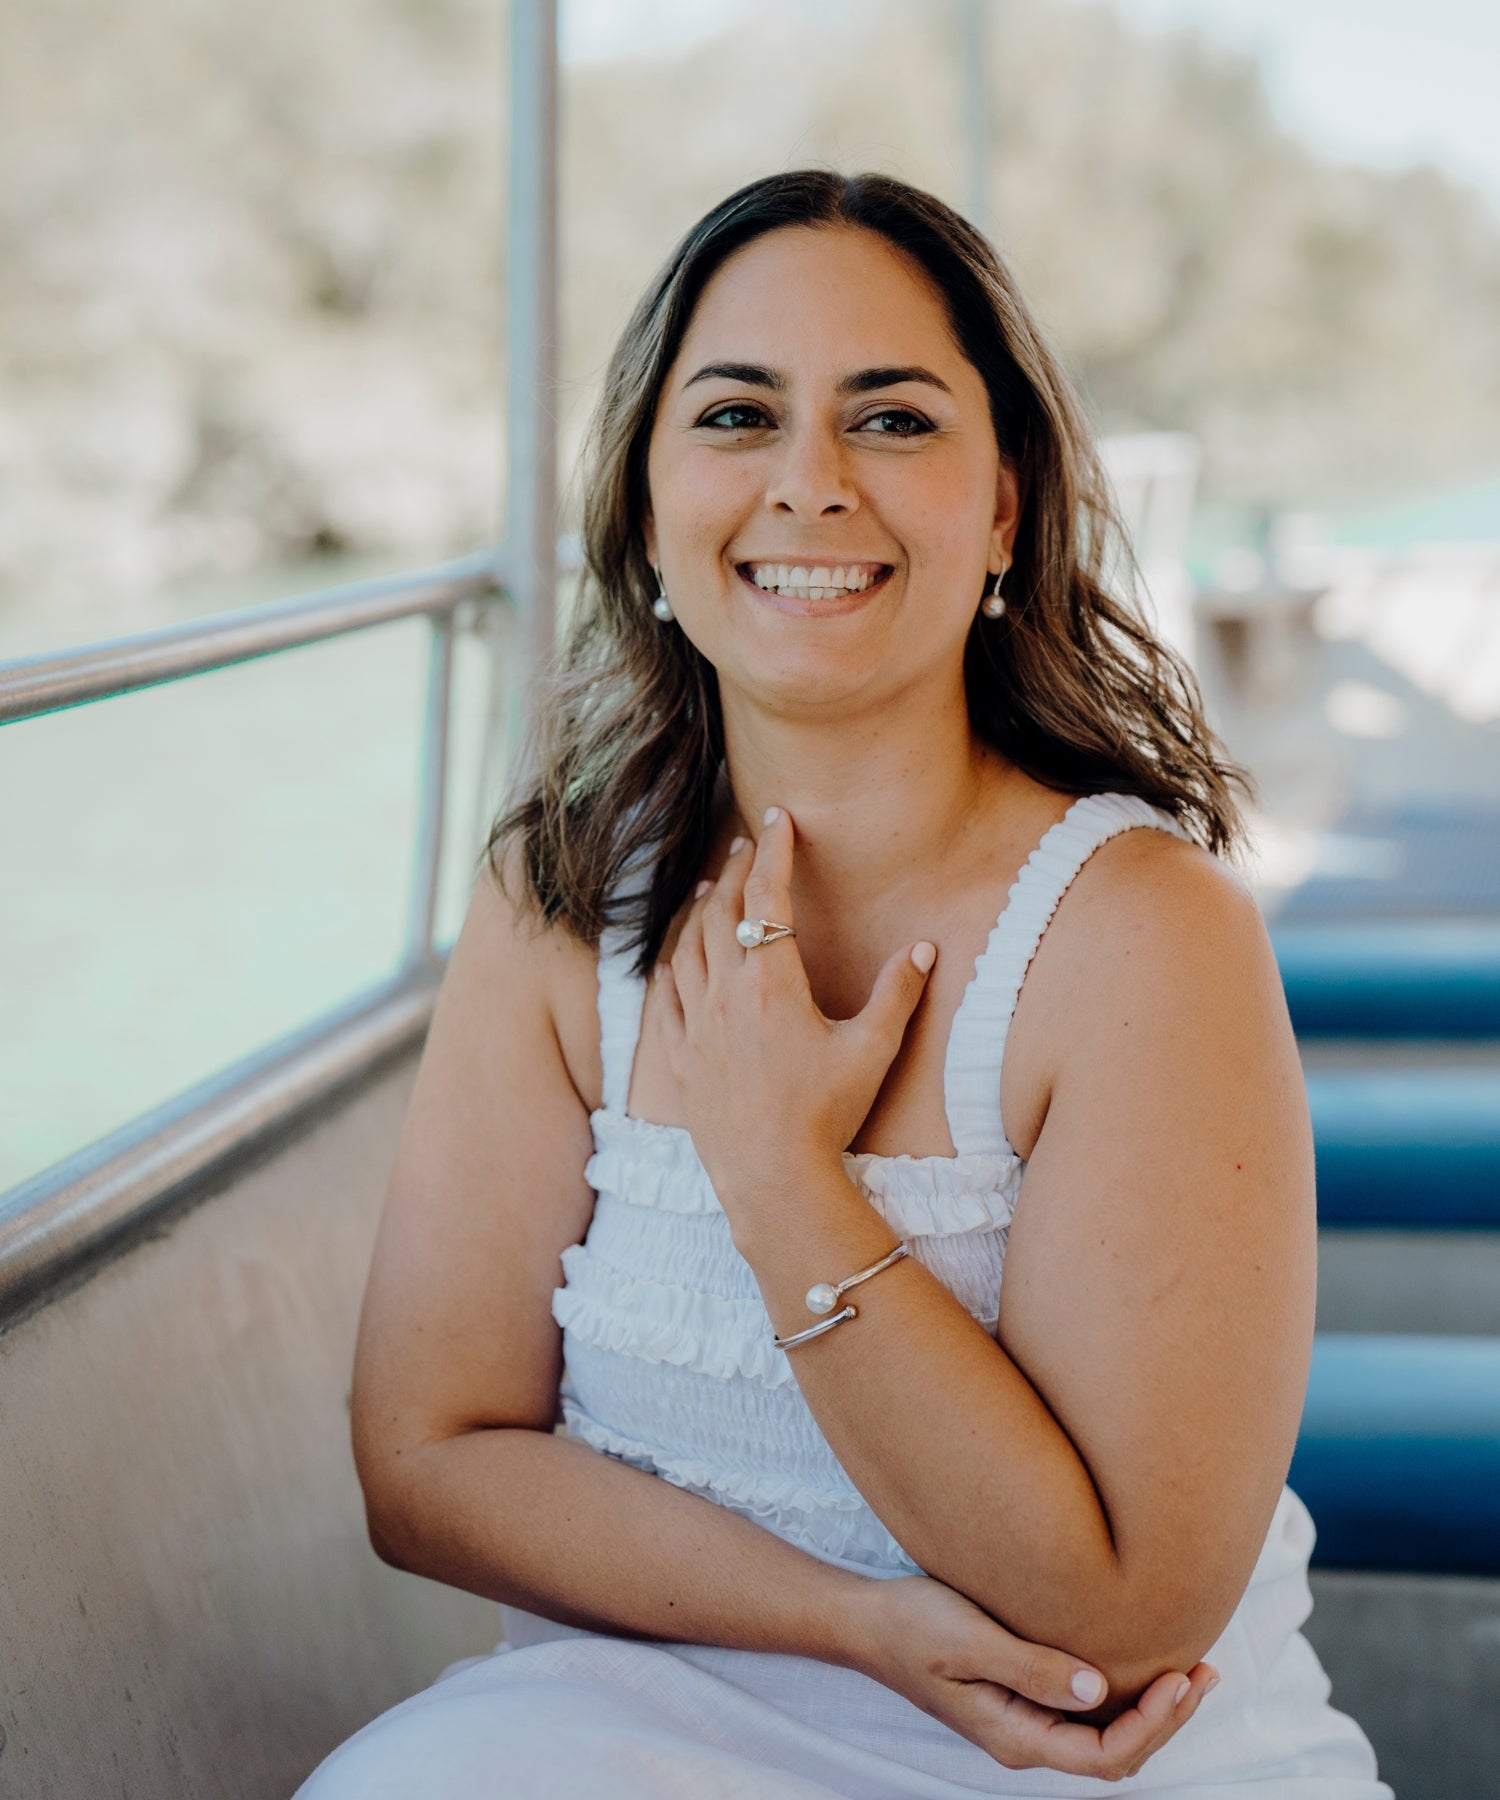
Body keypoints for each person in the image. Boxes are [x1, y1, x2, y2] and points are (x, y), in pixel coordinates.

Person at [296, 171, 1391, 1797]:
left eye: (891, 420)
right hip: (638, 1719)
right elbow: (425, 1461)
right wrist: (850, 1624)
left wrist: (781, 1177)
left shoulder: (1141, 935)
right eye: (738, 415)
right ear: (649, 508)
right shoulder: (554, 906)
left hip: (1076, 1760)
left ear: (1007, 507)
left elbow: (1125, 1608)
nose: (810, 484)